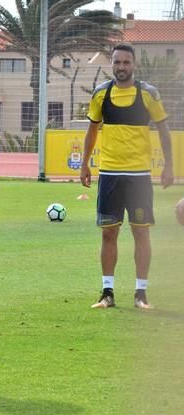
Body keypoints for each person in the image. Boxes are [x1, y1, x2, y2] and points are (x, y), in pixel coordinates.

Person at [80, 43, 173, 310]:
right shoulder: (101, 94)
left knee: (141, 233)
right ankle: (107, 293)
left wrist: (169, 166)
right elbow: (92, 131)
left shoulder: (148, 94)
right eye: (117, 62)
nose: (122, 67)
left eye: (126, 62)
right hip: (109, 173)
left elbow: (164, 130)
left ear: (134, 65)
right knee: (109, 233)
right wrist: (84, 164)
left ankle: (140, 293)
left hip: (139, 176)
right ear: (112, 65)